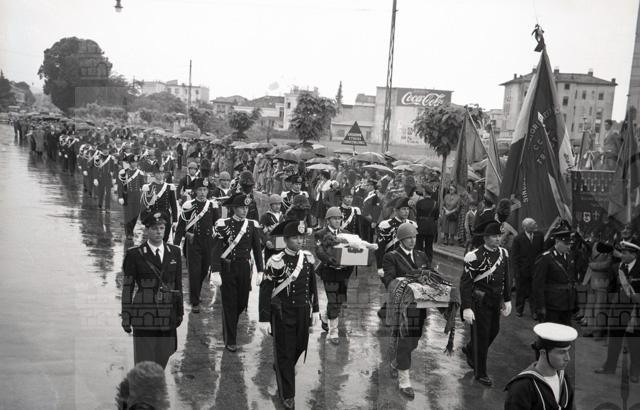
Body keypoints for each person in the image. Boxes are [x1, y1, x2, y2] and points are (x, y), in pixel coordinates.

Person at [258, 220, 319, 410]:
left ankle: (281, 366)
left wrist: (316, 309)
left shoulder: (307, 258)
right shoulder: (276, 261)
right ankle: (288, 395)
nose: (299, 241)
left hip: (303, 311)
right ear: (285, 240)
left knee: (299, 346)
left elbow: (312, 285)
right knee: (285, 353)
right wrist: (264, 318)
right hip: (283, 313)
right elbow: (265, 290)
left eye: (301, 237)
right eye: (295, 238)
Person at [121, 212, 184, 369]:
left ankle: (155, 380)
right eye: (155, 228)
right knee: (144, 362)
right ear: (147, 230)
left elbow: (178, 285)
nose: (159, 232)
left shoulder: (174, 252)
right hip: (144, 314)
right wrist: (126, 316)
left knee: (163, 356)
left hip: (167, 313)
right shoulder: (135, 254)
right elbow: (128, 287)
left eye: (162, 228)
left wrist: (180, 311)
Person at [382, 222, 430, 398]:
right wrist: (410, 280)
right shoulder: (391, 257)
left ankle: (395, 363)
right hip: (402, 306)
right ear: (401, 239)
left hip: (420, 304)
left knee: (414, 341)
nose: (412, 240)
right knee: (405, 342)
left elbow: (429, 275)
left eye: (414, 237)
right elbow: (389, 281)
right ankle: (404, 382)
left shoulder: (421, 255)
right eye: (408, 238)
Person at [460, 221, 512, 387]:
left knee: (494, 331)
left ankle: (471, 348)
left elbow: (506, 277)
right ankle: (480, 372)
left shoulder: (503, 253)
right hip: (479, 302)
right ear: (485, 238)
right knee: (481, 337)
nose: (498, 239)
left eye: (499, 236)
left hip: (495, 301)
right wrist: (467, 307)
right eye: (494, 236)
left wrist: (507, 299)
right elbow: (466, 284)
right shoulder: (474, 256)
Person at [212, 193, 264, 352]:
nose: (245, 210)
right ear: (234, 208)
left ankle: (230, 326)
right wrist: (215, 271)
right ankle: (230, 339)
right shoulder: (223, 224)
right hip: (228, 268)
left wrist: (260, 270)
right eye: (241, 207)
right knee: (229, 304)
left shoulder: (252, 225)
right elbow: (216, 249)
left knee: (241, 303)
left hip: (244, 268)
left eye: (246, 207)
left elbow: (257, 249)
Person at [594, 238, 640, 383]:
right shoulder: (616, 268)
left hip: (636, 311)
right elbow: (611, 288)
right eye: (622, 252)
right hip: (618, 309)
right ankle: (609, 366)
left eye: (625, 253)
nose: (622, 255)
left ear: (634, 254)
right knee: (614, 339)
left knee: (635, 342)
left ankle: (635, 370)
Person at [173, 178, 220, 313]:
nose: (202, 193)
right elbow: (181, 226)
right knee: (194, 272)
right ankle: (194, 302)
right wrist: (175, 246)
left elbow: (217, 224)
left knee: (204, 271)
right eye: (200, 190)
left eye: (205, 190)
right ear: (195, 191)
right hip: (193, 242)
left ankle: (196, 293)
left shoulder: (212, 205)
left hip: (208, 243)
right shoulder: (189, 205)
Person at [504, 322, 577, 409]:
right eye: (561, 352)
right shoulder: (522, 386)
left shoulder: (563, 378)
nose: (568, 358)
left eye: (568, 351)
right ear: (543, 353)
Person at [314, 207, 355, 344]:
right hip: (329, 272)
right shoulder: (320, 234)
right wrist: (329, 260)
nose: (337, 221)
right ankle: (333, 332)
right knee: (333, 301)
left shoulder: (347, 233)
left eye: (339, 219)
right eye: (334, 219)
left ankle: (326, 317)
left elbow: (353, 249)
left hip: (344, 272)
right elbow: (319, 251)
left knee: (340, 299)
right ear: (328, 220)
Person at [532, 222, 578, 326]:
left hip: (567, 303)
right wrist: (540, 306)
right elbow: (538, 284)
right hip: (552, 304)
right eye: (566, 244)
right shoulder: (546, 258)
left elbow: (572, 279)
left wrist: (575, 302)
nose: (569, 247)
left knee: (566, 331)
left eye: (570, 244)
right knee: (551, 332)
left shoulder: (569, 256)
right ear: (557, 241)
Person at [512, 218, 545, 318]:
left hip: (535, 270)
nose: (536, 225)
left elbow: (542, 251)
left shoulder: (539, 236)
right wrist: (517, 272)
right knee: (520, 291)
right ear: (525, 227)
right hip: (522, 270)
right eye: (533, 224)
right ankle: (519, 310)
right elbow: (515, 257)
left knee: (534, 291)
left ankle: (534, 312)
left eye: (535, 223)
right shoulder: (518, 239)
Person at [141, 166, 178, 242]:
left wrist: (175, 220)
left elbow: (173, 205)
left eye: (162, 173)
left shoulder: (169, 187)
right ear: (154, 174)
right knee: (153, 239)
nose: (161, 175)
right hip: (153, 216)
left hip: (166, 216)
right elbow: (144, 205)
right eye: (158, 173)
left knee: (165, 239)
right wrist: (144, 220)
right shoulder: (148, 187)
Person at [118, 154, 146, 239]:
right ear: (129, 163)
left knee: (135, 215)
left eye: (136, 162)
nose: (135, 164)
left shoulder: (140, 173)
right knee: (128, 215)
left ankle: (131, 230)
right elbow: (120, 186)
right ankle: (128, 233)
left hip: (137, 196)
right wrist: (120, 197)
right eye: (133, 162)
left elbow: (142, 186)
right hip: (127, 196)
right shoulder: (124, 172)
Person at [415, 188, 439, 263]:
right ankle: (428, 262)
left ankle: (419, 261)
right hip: (431, 226)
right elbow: (436, 217)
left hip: (421, 225)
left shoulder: (419, 202)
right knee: (429, 246)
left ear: (425, 193)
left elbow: (417, 215)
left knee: (419, 245)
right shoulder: (435, 203)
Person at [261, 194, 284, 263]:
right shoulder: (265, 216)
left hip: (282, 244)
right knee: (269, 263)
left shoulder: (283, 216)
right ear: (271, 205)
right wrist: (266, 241)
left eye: (279, 204)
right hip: (270, 244)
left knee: (281, 263)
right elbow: (260, 230)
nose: (277, 206)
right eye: (275, 204)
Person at [94, 145, 117, 212]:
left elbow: (113, 168)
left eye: (107, 149)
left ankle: (107, 207)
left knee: (108, 193)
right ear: (102, 150)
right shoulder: (98, 157)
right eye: (104, 149)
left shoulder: (111, 158)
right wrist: (95, 178)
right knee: (101, 192)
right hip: (100, 177)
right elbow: (96, 168)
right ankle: (100, 204)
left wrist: (114, 178)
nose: (106, 151)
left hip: (108, 177)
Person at [361, 179, 382, 243]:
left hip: (370, 218)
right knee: (364, 235)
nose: (366, 187)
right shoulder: (367, 193)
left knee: (369, 236)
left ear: (372, 186)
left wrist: (374, 221)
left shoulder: (376, 195)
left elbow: (376, 209)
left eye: (368, 185)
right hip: (364, 217)